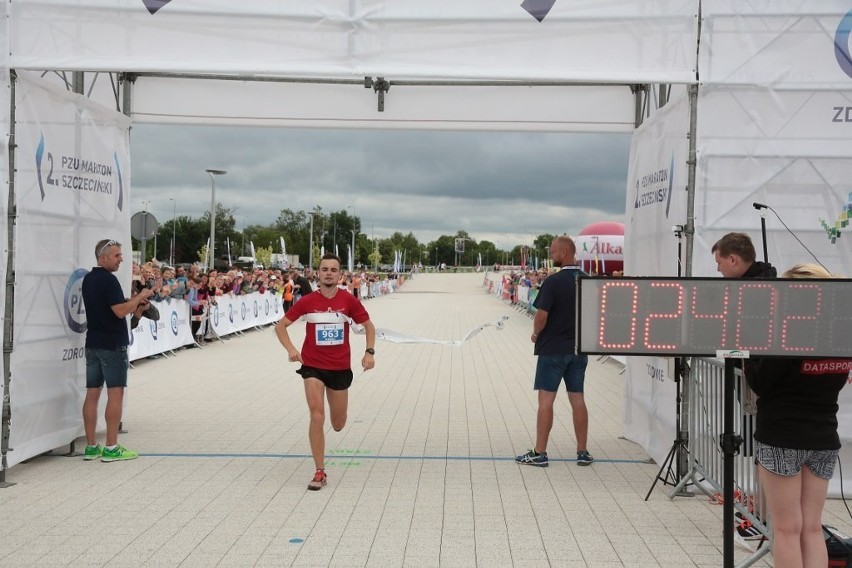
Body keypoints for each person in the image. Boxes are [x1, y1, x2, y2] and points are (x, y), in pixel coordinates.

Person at [747, 263, 850, 568]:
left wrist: (753, 353)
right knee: (812, 526)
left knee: (786, 528)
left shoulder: (788, 333)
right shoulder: (839, 334)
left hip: (782, 435)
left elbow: (761, 382)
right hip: (823, 438)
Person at [275, 254, 376, 490]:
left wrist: (369, 352)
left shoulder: (348, 301)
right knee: (316, 414)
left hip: (340, 367)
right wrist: (291, 349)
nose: (328, 273)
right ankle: (319, 471)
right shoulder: (307, 301)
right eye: (324, 269)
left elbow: (369, 326)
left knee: (338, 423)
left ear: (339, 275)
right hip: (313, 366)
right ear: (317, 273)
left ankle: (336, 416)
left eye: (333, 270)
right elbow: (280, 326)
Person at [516, 236, 593, 467]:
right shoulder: (588, 280)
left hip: (553, 349)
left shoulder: (553, 282)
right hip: (579, 349)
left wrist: (536, 334)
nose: (551, 255)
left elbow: (541, 315)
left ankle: (540, 452)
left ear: (564, 252)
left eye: (553, 252)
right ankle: (582, 452)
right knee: (577, 398)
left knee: (546, 400)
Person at [81, 239, 154, 462]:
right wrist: (140, 297)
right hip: (112, 344)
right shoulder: (109, 280)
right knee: (115, 393)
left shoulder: (88, 278)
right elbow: (120, 312)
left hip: (93, 342)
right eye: (117, 255)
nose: (121, 259)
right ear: (102, 258)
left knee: (92, 393)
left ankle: (92, 445)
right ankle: (111, 447)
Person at [711, 232, 777, 278]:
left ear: (732, 260)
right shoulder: (775, 287)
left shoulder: (740, 292)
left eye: (719, 263)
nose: (718, 269)